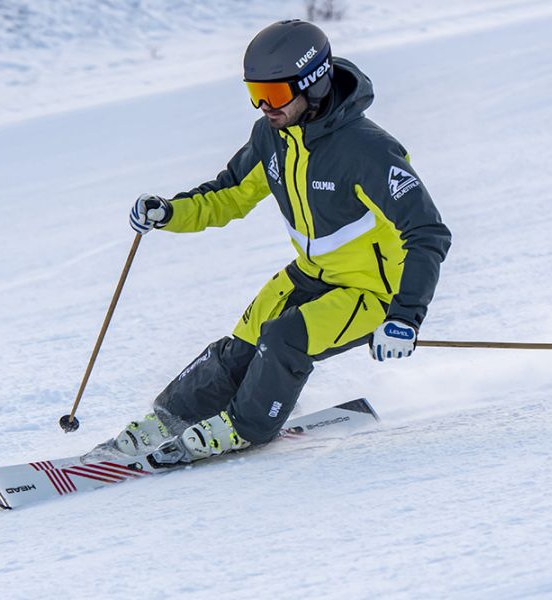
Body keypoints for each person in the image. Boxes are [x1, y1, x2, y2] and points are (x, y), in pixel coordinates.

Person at [118, 19, 451, 463]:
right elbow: (229, 194)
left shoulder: (367, 151)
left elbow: (427, 232)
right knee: (243, 342)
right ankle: (169, 419)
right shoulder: (272, 137)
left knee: (284, 338)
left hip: (374, 291)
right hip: (313, 273)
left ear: (312, 84)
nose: (263, 107)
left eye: (273, 95)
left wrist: (405, 317)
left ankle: (246, 426)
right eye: (254, 93)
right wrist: (169, 212)